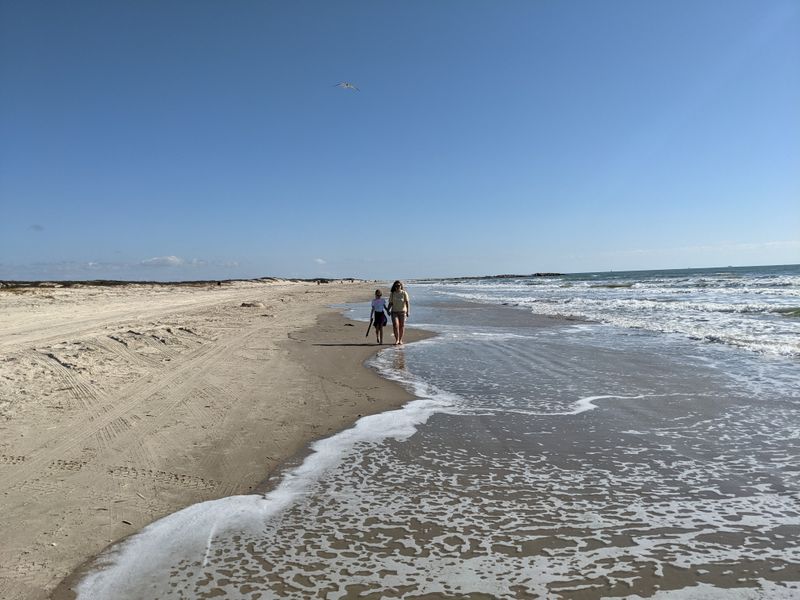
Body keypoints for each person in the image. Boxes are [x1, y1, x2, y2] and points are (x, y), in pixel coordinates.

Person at [387, 280, 410, 345]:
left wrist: (408, 311)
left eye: (398, 286)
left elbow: (407, 303)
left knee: (402, 326)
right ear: (394, 286)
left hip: (402, 312)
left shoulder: (404, 293)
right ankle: (397, 340)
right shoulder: (392, 293)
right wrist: (388, 310)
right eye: (396, 286)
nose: (397, 287)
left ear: (401, 286)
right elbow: (390, 303)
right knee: (395, 325)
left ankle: (400, 340)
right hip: (394, 312)